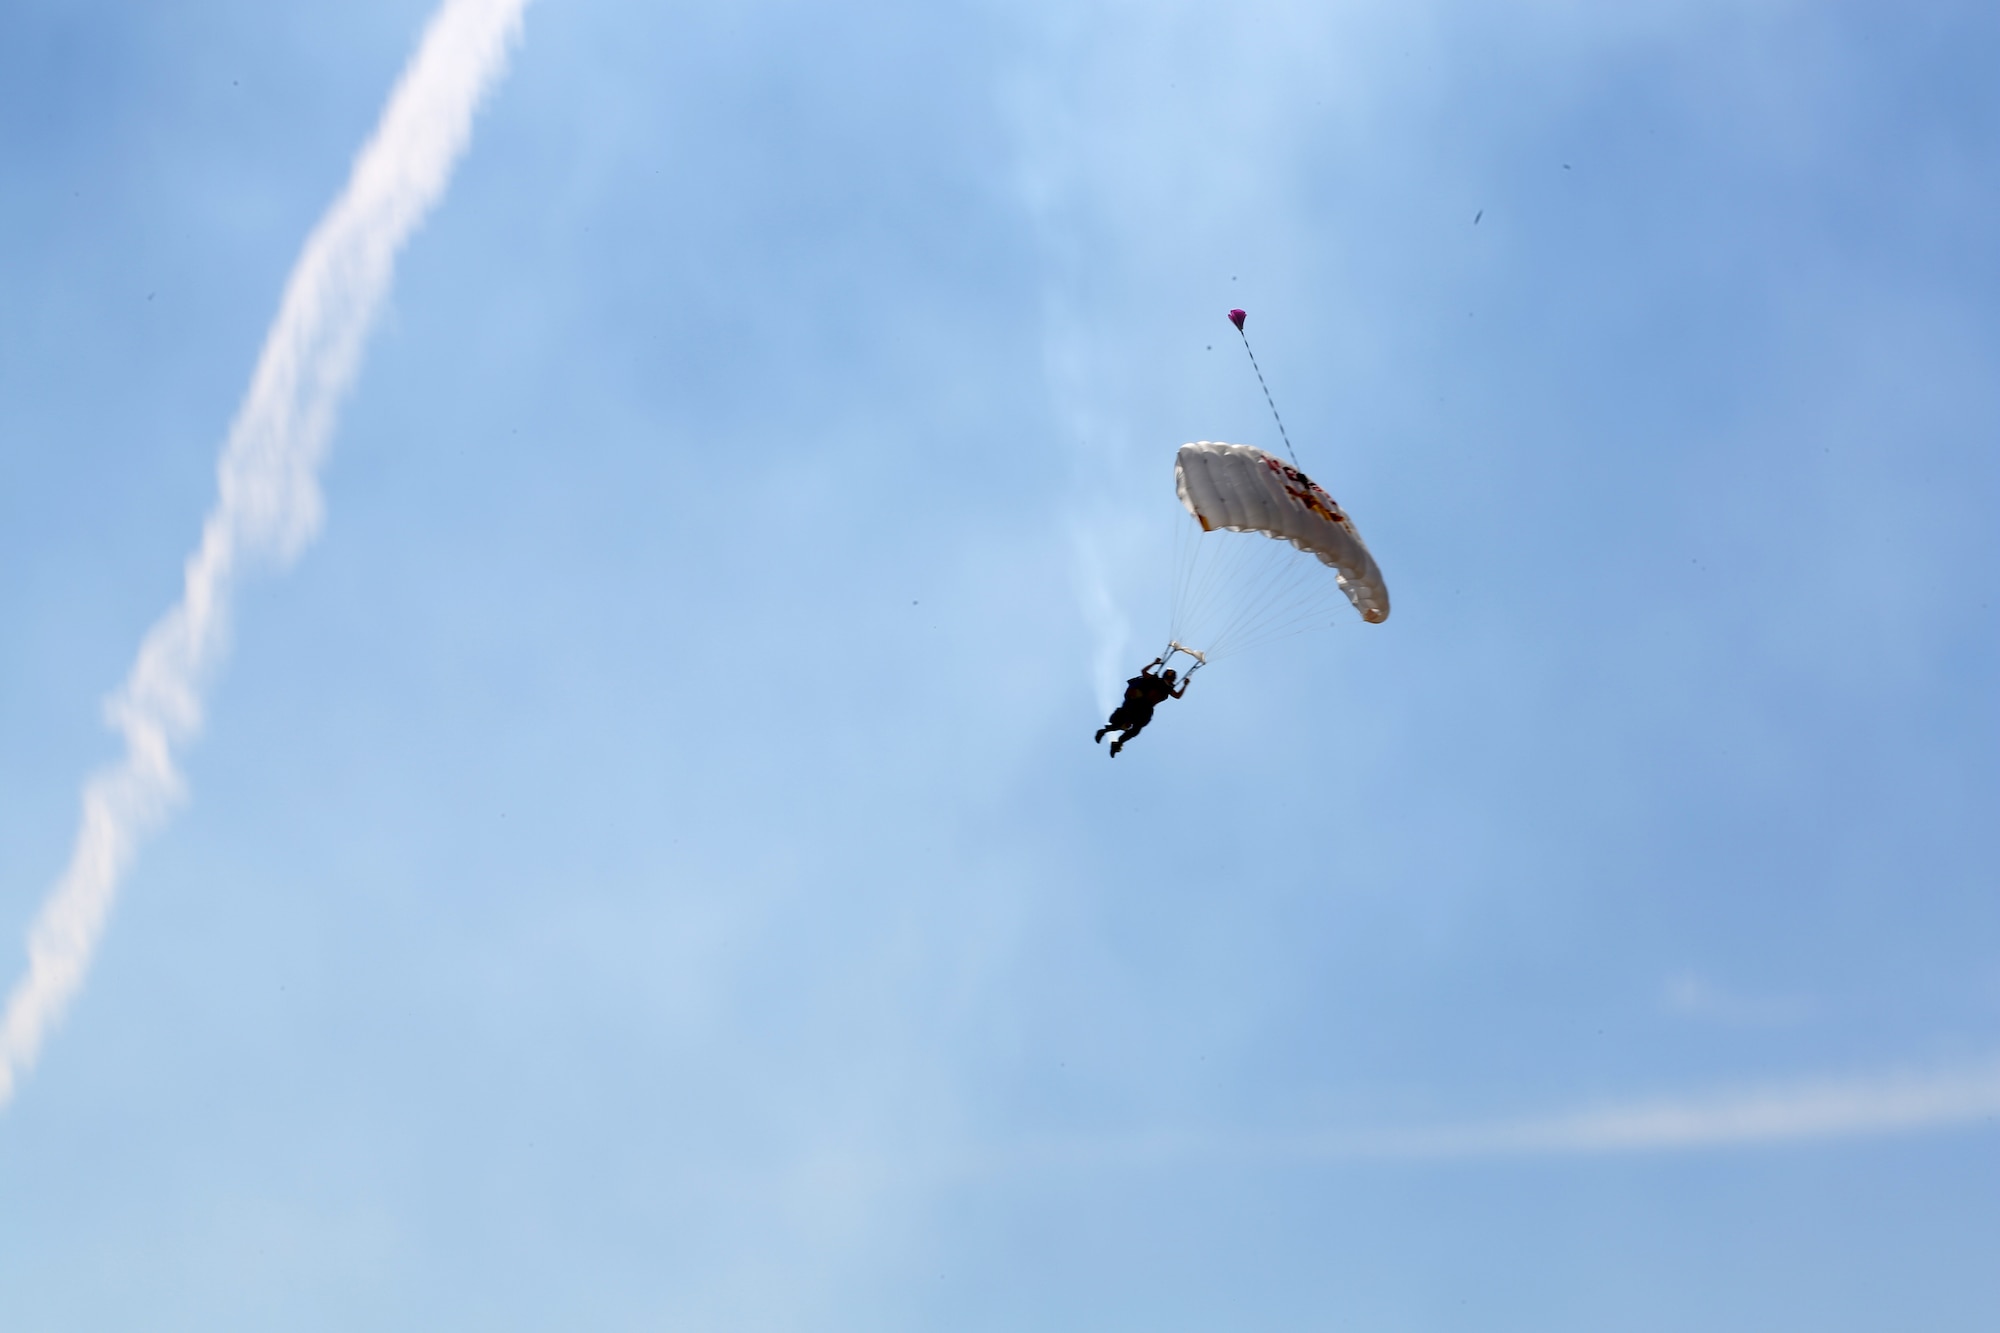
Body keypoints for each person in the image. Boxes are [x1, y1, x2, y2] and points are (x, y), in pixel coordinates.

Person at [1094, 657, 1190, 756]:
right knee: (1125, 723)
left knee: (1134, 728)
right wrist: (1154, 663)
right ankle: (1105, 733)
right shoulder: (1156, 680)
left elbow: (1177, 695)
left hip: (1145, 709)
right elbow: (1144, 672)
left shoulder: (1167, 688)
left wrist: (1185, 685)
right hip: (1138, 703)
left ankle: (1116, 741)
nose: (1170, 679)